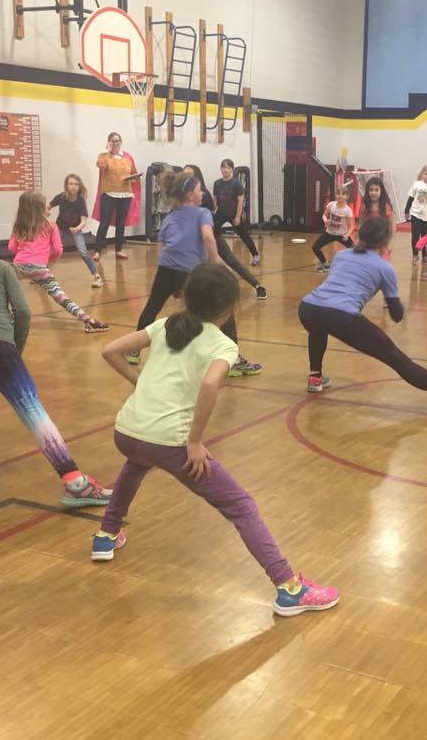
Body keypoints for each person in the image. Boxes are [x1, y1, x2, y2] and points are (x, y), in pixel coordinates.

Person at [93, 263, 339, 616]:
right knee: (241, 506)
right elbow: (210, 385)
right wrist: (194, 441)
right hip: (169, 441)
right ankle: (289, 588)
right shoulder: (222, 344)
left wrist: (139, 383)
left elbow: (110, 350)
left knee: (136, 463)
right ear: (227, 309)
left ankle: (106, 535)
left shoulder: (164, 325)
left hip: (128, 431)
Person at [0, 208, 111, 506]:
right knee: (31, 409)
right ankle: (74, 482)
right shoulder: (1, 268)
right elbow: (24, 312)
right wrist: (14, 351)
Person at [298, 216, 427, 411]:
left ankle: (315, 376)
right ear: (385, 241)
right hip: (342, 316)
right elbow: (396, 315)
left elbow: (337, 290)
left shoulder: (342, 255)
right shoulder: (384, 267)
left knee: (318, 327)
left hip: (308, 308)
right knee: (396, 359)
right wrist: (399, 300)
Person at [126, 169, 261, 377]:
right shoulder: (202, 213)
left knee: (152, 307)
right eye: (199, 190)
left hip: (166, 269)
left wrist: (167, 278)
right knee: (223, 309)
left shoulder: (171, 216)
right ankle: (234, 361)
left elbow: (161, 246)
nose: (203, 194)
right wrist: (216, 265)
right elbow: (208, 237)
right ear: (190, 195)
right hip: (191, 271)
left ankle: (133, 350)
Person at [8, 191, 109, 333]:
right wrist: (47, 258)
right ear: (40, 208)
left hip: (19, 266)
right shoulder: (50, 225)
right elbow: (58, 250)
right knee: (60, 297)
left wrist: (24, 255)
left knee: (6, 291)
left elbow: (12, 247)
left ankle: (8, 319)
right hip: (40, 268)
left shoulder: (18, 225)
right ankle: (88, 320)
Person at [185, 164, 267, 300]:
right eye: (184, 174)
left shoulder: (201, 196)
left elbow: (204, 212)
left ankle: (257, 286)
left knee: (231, 261)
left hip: (212, 235)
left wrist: (237, 216)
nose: (186, 177)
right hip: (196, 238)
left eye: (190, 174)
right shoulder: (185, 196)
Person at [92, 131, 140, 260]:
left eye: (117, 140)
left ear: (121, 142)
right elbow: (100, 165)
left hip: (125, 194)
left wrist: (134, 178)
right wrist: (106, 152)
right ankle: (97, 250)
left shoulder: (127, 156)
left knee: (121, 223)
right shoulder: (104, 156)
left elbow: (133, 171)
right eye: (112, 141)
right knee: (105, 222)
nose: (115, 143)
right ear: (109, 142)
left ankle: (119, 249)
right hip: (109, 193)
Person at [49, 174, 103, 288]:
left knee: (83, 251)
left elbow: (83, 221)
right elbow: (47, 207)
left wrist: (77, 229)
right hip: (60, 228)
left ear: (79, 187)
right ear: (66, 185)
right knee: (52, 249)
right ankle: (42, 274)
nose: (73, 186)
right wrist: (45, 217)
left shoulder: (80, 201)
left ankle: (97, 276)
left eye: (76, 184)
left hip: (76, 228)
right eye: (71, 184)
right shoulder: (61, 197)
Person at [213, 158, 261, 267]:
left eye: (228, 168)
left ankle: (256, 255)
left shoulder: (236, 184)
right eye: (224, 167)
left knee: (244, 235)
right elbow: (215, 200)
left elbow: (240, 201)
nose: (226, 170)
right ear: (220, 169)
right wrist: (211, 212)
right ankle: (211, 257)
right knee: (211, 231)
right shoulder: (217, 183)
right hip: (220, 213)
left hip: (233, 213)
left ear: (232, 169)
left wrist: (238, 216)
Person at [313, 185, 355, 272]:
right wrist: (325, 221)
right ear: (336, 195)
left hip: (341, 235)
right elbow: (324, 215)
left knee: (355, 250)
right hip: (329, 233)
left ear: (347, 196)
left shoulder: (347, 210)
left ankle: (354, 267)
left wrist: (346, 235)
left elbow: (351, 226)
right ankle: (325, 263)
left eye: (343, 194)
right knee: (315, 247)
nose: (340, 195)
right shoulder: (331, 205)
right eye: (338, 193)